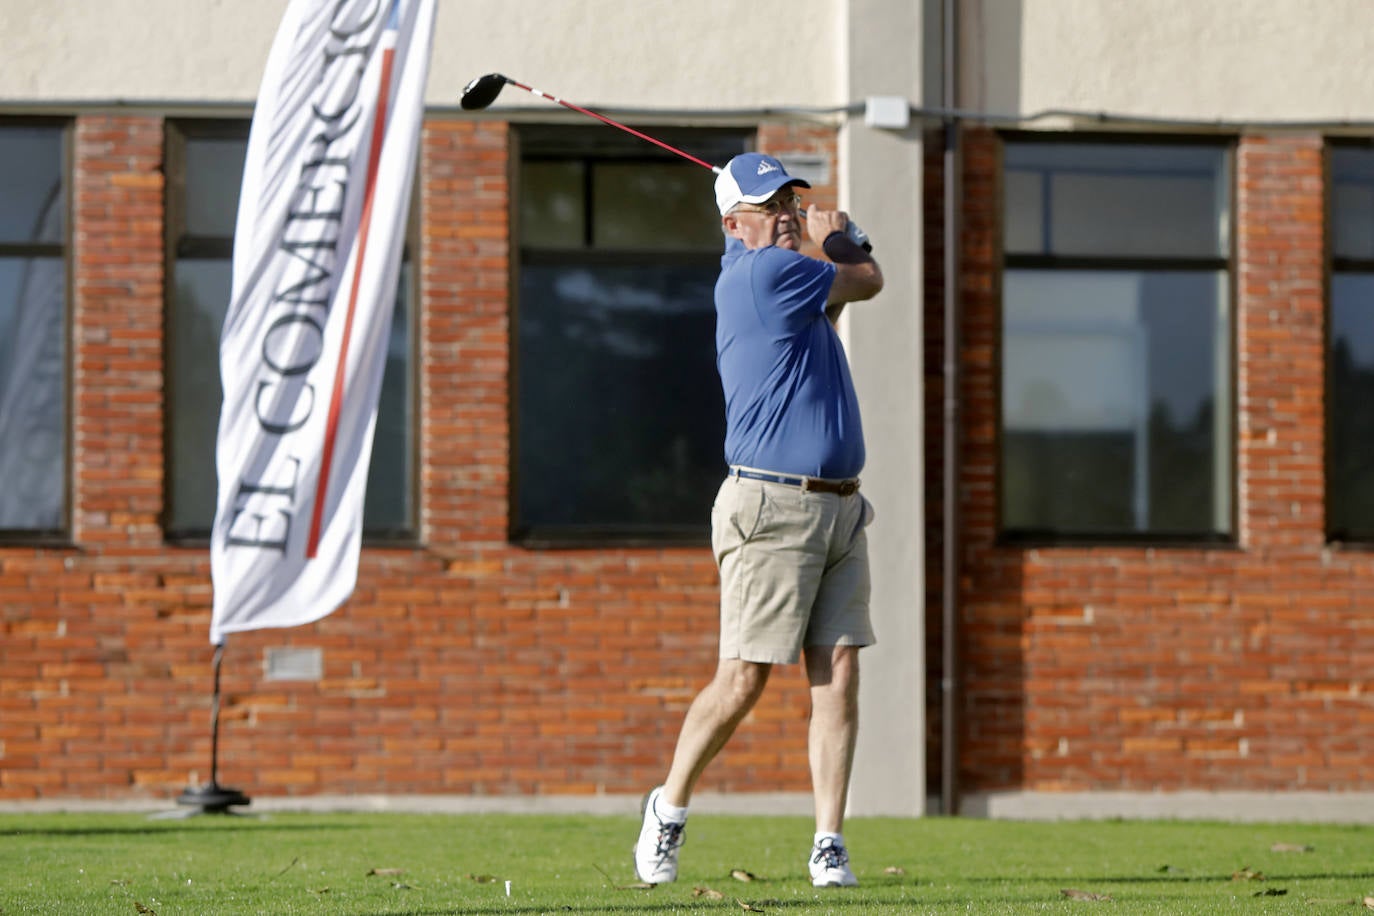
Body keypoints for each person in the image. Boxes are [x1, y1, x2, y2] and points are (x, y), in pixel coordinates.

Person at [633, 152, 884, 888]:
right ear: (731, 222)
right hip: (772, 507)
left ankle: (828, 842)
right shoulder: (765, 272)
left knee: (838, 669)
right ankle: (669, 806)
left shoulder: (780, 276)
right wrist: (842, 237)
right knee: (743, 678)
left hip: (840, 504)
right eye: (767, 204)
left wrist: (826, 245)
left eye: (789, 200)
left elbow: (832, 300)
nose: (784, 212)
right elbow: (867, 282)